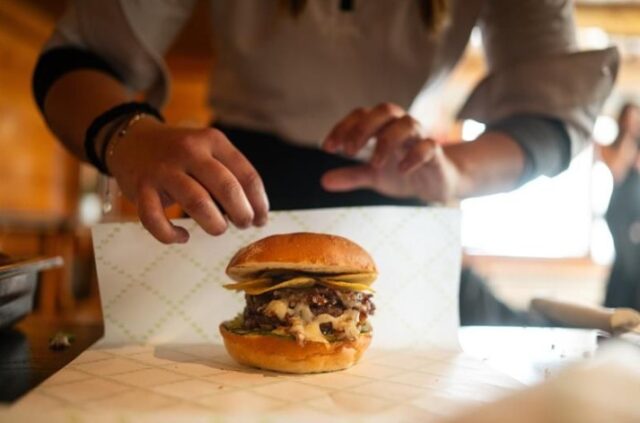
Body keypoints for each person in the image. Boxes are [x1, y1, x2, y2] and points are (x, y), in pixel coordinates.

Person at [33, 1, 618, 323]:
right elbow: (77, 55)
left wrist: (454, 170)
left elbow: (553, 115)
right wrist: (131, 136)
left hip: (401, 198)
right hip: (233, 198)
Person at [599, 103, 640, 310]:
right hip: (620, 215)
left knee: (635, 264)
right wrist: (628, 139)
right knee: (626, 264)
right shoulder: (615, 147)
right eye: (629, 118)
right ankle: (616, 309)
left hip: (636, 215)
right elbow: (618, 171)